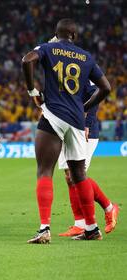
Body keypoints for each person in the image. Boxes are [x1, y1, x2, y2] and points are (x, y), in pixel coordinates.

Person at [22, 18, 112, 243]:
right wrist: (85, 108)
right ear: (74, 35)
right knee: (79, 174)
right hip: (76, 121)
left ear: (57, 33)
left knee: (44, 171)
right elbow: (106, 88)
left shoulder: (47, 48)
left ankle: (44, 228)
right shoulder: (86, 57)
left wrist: (33, 90)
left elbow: (27, 61)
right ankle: (91, 228)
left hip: (53, 115)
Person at [58, 81, 119, 237]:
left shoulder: (80, 67)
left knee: (77, 175)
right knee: (69, 177)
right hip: (67, 129)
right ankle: (79, 224)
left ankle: (109, 207)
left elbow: (95, 95)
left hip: (84, 131)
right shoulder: (59, 68)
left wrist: (86, 125)